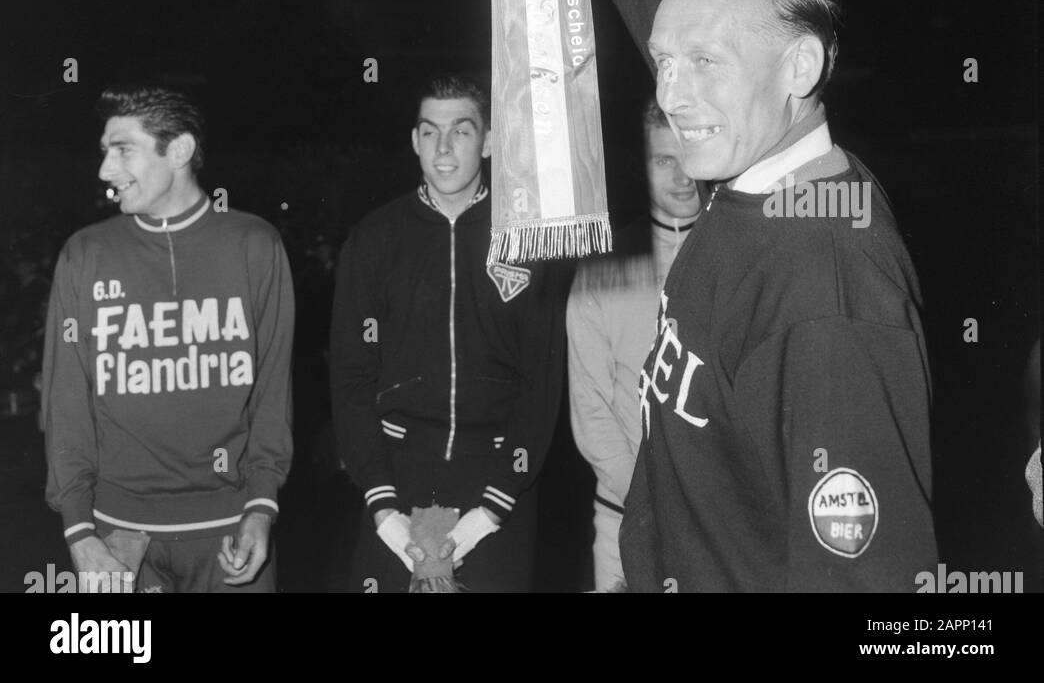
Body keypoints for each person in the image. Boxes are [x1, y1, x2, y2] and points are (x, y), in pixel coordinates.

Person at [574, 0, 937, 592]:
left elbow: (870, 588)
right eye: (663, 62)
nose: (671, 95)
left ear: (799, 68)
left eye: (701, 61)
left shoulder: (828, 287)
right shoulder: (758, 157)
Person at [41, 85, 294, 593]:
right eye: (104, 152)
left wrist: (261, 508)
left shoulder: (255, 245)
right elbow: (66, 404)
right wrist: (79, 531)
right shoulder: (85, 254)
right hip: (116, 536)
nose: (105, 170)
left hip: (229, 531)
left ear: (177, 150)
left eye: (123, 149)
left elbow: (272, 394)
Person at [329, 75, 565, 593]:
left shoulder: (527, 236)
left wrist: (492, 509)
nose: (443, 148)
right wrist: (385, 508)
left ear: (488, 141)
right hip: (404, 474)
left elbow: (543, 382)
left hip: (497, 476)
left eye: (460, 131)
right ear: (414, 140)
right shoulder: (375, 239)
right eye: (430, 132)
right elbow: (350, 379)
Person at [567, 98, 702, 591]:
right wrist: (647, 500)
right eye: (664, 160)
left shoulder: (736, 256)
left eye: (688, 152)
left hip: (719, 525)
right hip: (624, 518)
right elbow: (590, 406)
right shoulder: (604, 267)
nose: (683, 175)